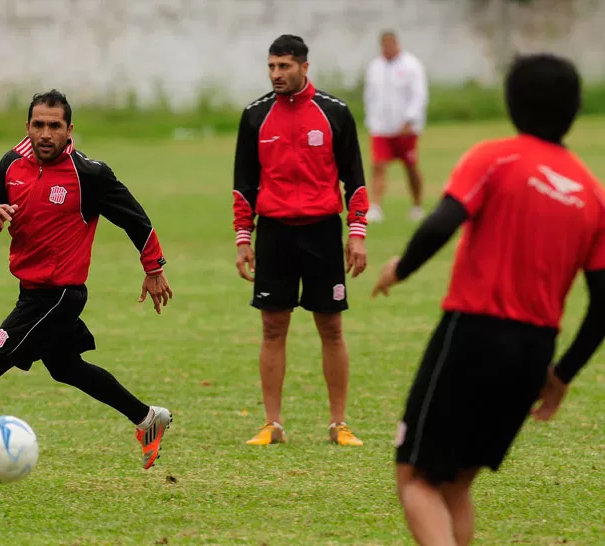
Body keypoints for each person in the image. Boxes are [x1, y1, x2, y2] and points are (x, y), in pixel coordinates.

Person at [373, 53, 605, 546]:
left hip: (473, 334)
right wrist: (562, 375)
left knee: (414, 477)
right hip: (533, 352)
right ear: (574, 109)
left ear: (512, 103)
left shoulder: (494, 157)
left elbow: (441, 222)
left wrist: (402, 267)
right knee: (456, 486)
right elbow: (604, 304)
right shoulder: (592, 193)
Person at [0, 90, 174, 485]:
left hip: (58, 296)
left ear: (69, 130)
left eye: (54, 126)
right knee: (67, 368)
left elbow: (135, 219)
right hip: (31, 291)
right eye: (38, 124)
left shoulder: (89, 175)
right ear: (27, 126)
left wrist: (153, 267)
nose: (45, 133)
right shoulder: (12, 163)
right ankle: (147, 418)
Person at [233, 34, 369, 447]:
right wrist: (244, 238)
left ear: (304, 67)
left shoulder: (335, 113)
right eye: (272, 66)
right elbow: (244, 186)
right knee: (273, 326)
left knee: (331, 326)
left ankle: (338, 424)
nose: (277, 74)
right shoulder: (255, 116)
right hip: (274, 233)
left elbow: (355, 180)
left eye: (285, 66)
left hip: (322, 231)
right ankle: (272, 424)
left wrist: (357, 233)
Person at [363, 30, 429, 223]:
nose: (388, 48)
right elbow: (370, 95)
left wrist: (410, 119)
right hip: (381, 127)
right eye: (384, 45)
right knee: (378, 165)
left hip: (406, 127)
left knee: (410, 166)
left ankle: (417, 205)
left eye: (391, 44)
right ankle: (375, 206)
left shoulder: (411, 65)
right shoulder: (375, 66)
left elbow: (419, 94)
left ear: (397, 43)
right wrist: (372, 120)